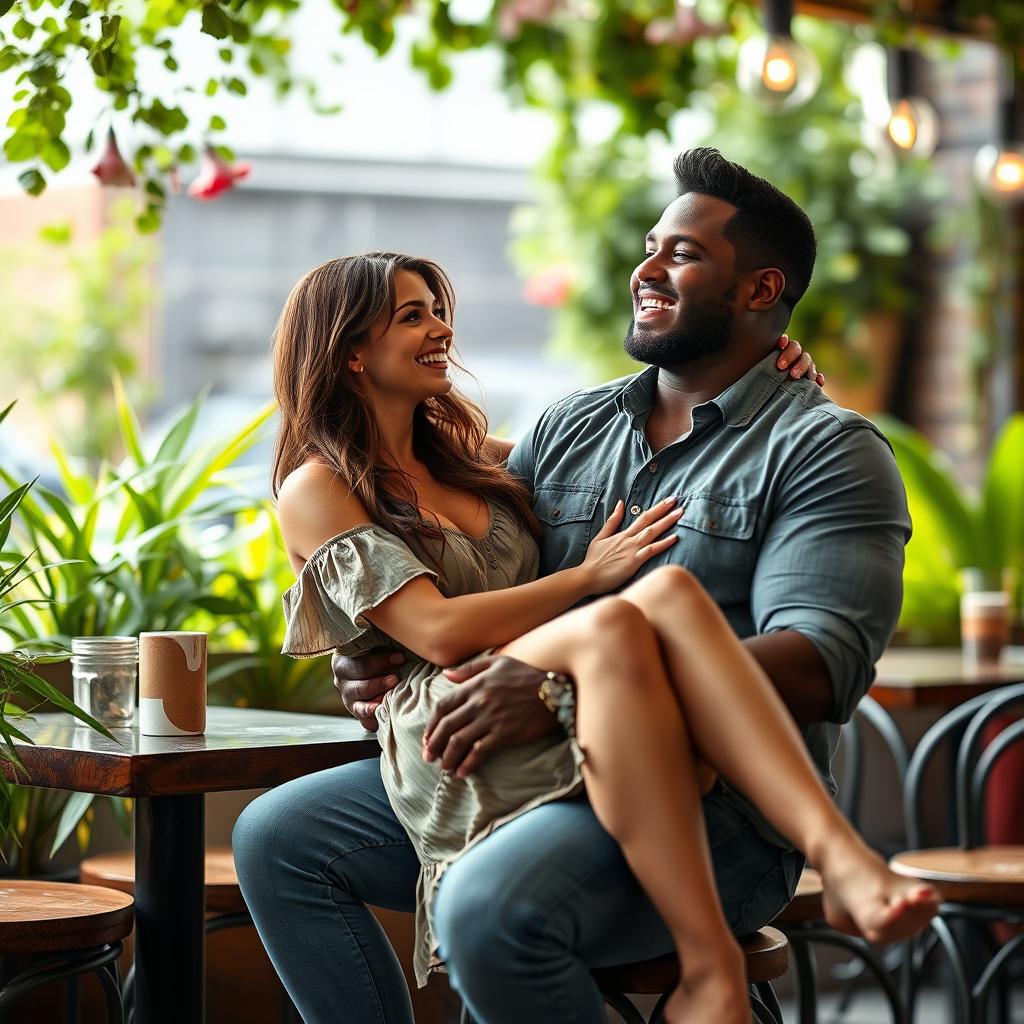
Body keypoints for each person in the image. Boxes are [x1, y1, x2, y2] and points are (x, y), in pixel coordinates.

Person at [233, 148, 935, 1024]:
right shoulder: (568, 428)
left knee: (490, 908)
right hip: (523, 758)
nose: (644, 268)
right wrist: (373, 651)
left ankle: (791, 892)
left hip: (719, 801)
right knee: (280, 836)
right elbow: (459, 561)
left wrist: (555, 686)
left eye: (681, 254)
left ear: (761, 292)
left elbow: (819, 664)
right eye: (650, 245)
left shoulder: (825, 447)